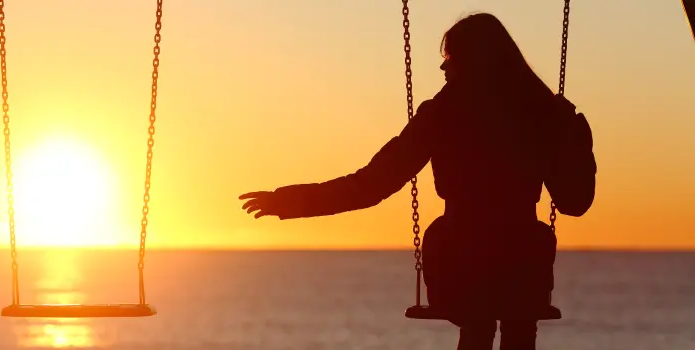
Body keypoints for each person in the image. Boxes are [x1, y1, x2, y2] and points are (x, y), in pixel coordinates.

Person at [238, 12, 596, 350]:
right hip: (521, 266)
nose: (443, 66)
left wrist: (288, 201)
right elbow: (575, 202)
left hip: (462, 261)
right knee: (519, 313)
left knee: (477, 315)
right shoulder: (543, 113)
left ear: (470, 62)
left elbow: (370, 184)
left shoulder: (442, 114)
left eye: (450, 57)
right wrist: (576, 140)